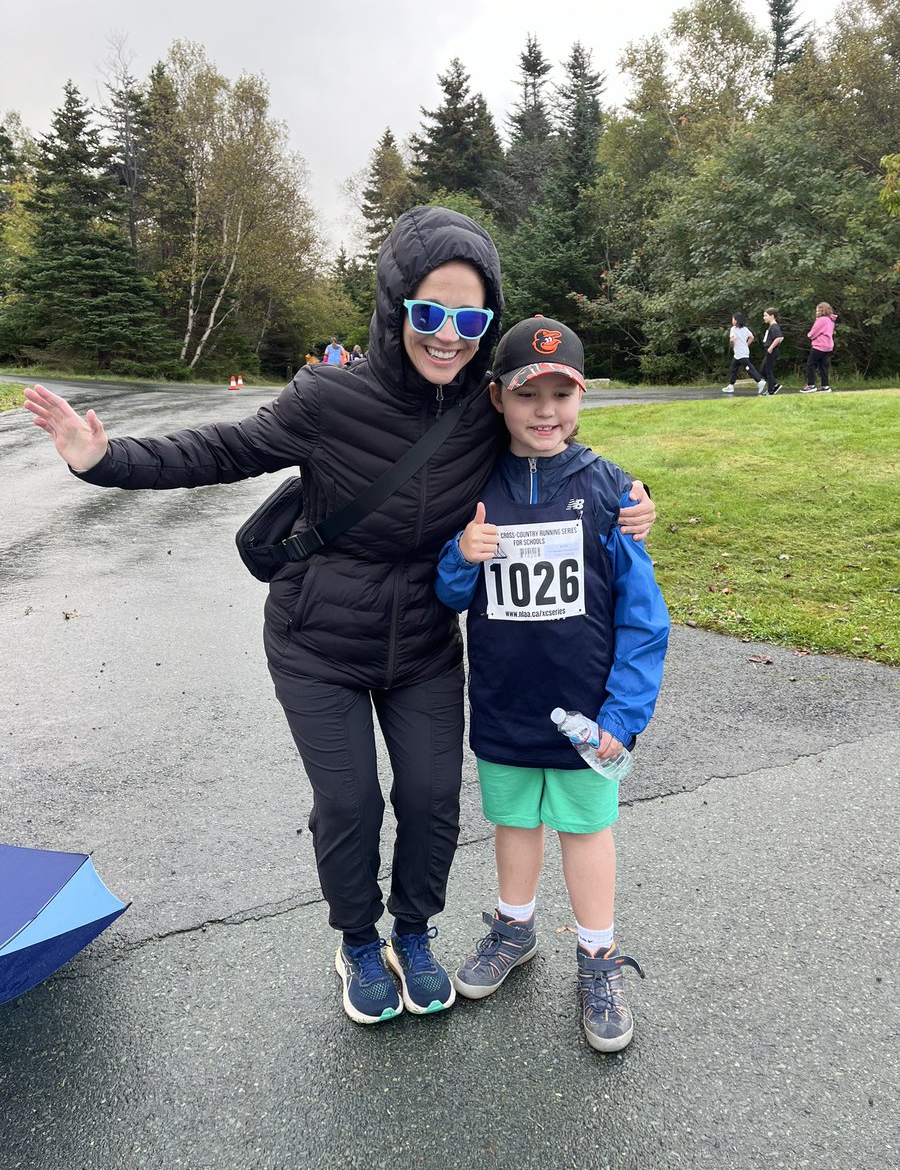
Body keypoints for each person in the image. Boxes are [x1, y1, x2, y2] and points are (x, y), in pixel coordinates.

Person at [22, 206, 656, 1028]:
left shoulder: (481, 409)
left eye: (471, 320)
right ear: (396, 308)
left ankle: (415, 934)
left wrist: (635, 505)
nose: (449, 336)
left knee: (431, 798)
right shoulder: (326, 396)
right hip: (317, 640)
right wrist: (105, 460)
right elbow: (224, 449)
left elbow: (558, 448)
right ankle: (359, 941)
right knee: (352, 799)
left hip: (424, 643)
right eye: (430, 314)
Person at [435, 316, 669, 1053]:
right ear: (498, 398)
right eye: (528, 393)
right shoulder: (474, 486)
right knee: (512, 823)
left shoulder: (609, 493)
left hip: (588, 719)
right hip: (504, 707)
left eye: (561, 393)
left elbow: (644, 621)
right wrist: (460, 556)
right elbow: (447, 595)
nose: (545, 410)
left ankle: (597, 958)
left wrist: (623, 718)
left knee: (587, 830)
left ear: (581, 395)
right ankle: (514, 928)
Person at [721, 311, 763, 394]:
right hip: (741, 352)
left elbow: (732, 341)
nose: (732, 321)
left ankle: (759, 381)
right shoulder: (745, 329)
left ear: (736, 320)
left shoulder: (733, 329)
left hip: (740, 353)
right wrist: (746, 345)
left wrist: (731, 341)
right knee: (733, 368)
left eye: (733, 319)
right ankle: (731, 386)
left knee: (748, 367)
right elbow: (751, 337)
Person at [800, 302, 837, 393]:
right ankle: (825, 386)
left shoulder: (821, 320)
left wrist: (809, 335)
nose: (816, 312)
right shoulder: (830, 320)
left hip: (819, 345)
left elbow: (813, 332)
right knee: (823, 365)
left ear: (821, 310)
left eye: (817, 310)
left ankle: (811, 385)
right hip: (828, 345)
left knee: (810, 364)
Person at [759, 308, 784, 397]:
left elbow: (779, 338)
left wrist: (771, 347)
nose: (764, 317)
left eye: (766, 315)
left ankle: (770, 391)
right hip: (769, 350)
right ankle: (774, 385)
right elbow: (781, 338)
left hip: (772, 351)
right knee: (763, 370)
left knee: (768, 370)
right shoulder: (771, 327)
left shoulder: (774, 326)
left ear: (772, 316)